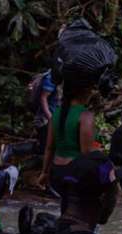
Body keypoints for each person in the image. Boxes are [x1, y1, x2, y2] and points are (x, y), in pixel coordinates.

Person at [37, 80, 98, 210]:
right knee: (80, 210)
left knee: (66, 207)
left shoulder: (57, 113)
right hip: (75, 172)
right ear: (84, 92)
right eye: (91, 89)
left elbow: (49, 148)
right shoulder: (85, 115)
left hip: (57, 172)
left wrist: (44, 172)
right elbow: (85, 154)